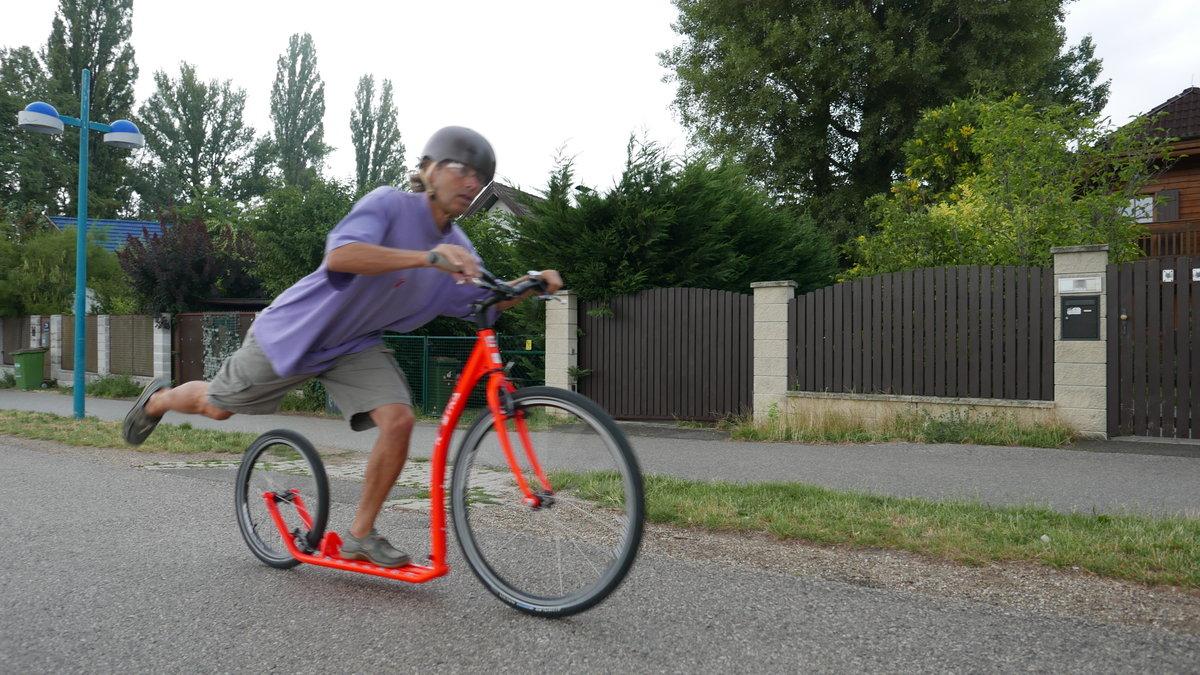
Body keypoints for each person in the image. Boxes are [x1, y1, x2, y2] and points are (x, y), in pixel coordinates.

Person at [122, 126, 562, 568]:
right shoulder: (389, 205)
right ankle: (159, 400)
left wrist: (530, 283)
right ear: (429, 169)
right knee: (218, 407)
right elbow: (342, 256)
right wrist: (427, 257)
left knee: (399, 420)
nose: (471, 183)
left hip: (354, 346)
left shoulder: (460, 247)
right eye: (461, 170)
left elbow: (485, 299)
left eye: (480, 177)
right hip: (296, 331)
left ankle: (360, 535)